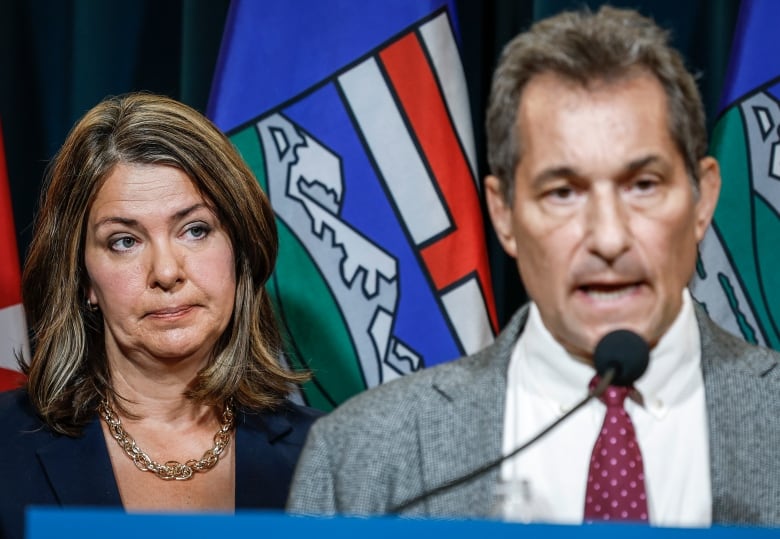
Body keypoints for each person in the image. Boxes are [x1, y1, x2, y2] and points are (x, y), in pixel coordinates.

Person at [287, 6, 780, 527]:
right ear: (503, 215)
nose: (609, 238)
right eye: (563, 192)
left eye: (643, 186)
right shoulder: (361, 456)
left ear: (703, 200)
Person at [0, 93, 321, 539]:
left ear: (240, 252)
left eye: (195, 230)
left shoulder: (328, 455)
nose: (167, 272)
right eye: (124, 241)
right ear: (84, 278)